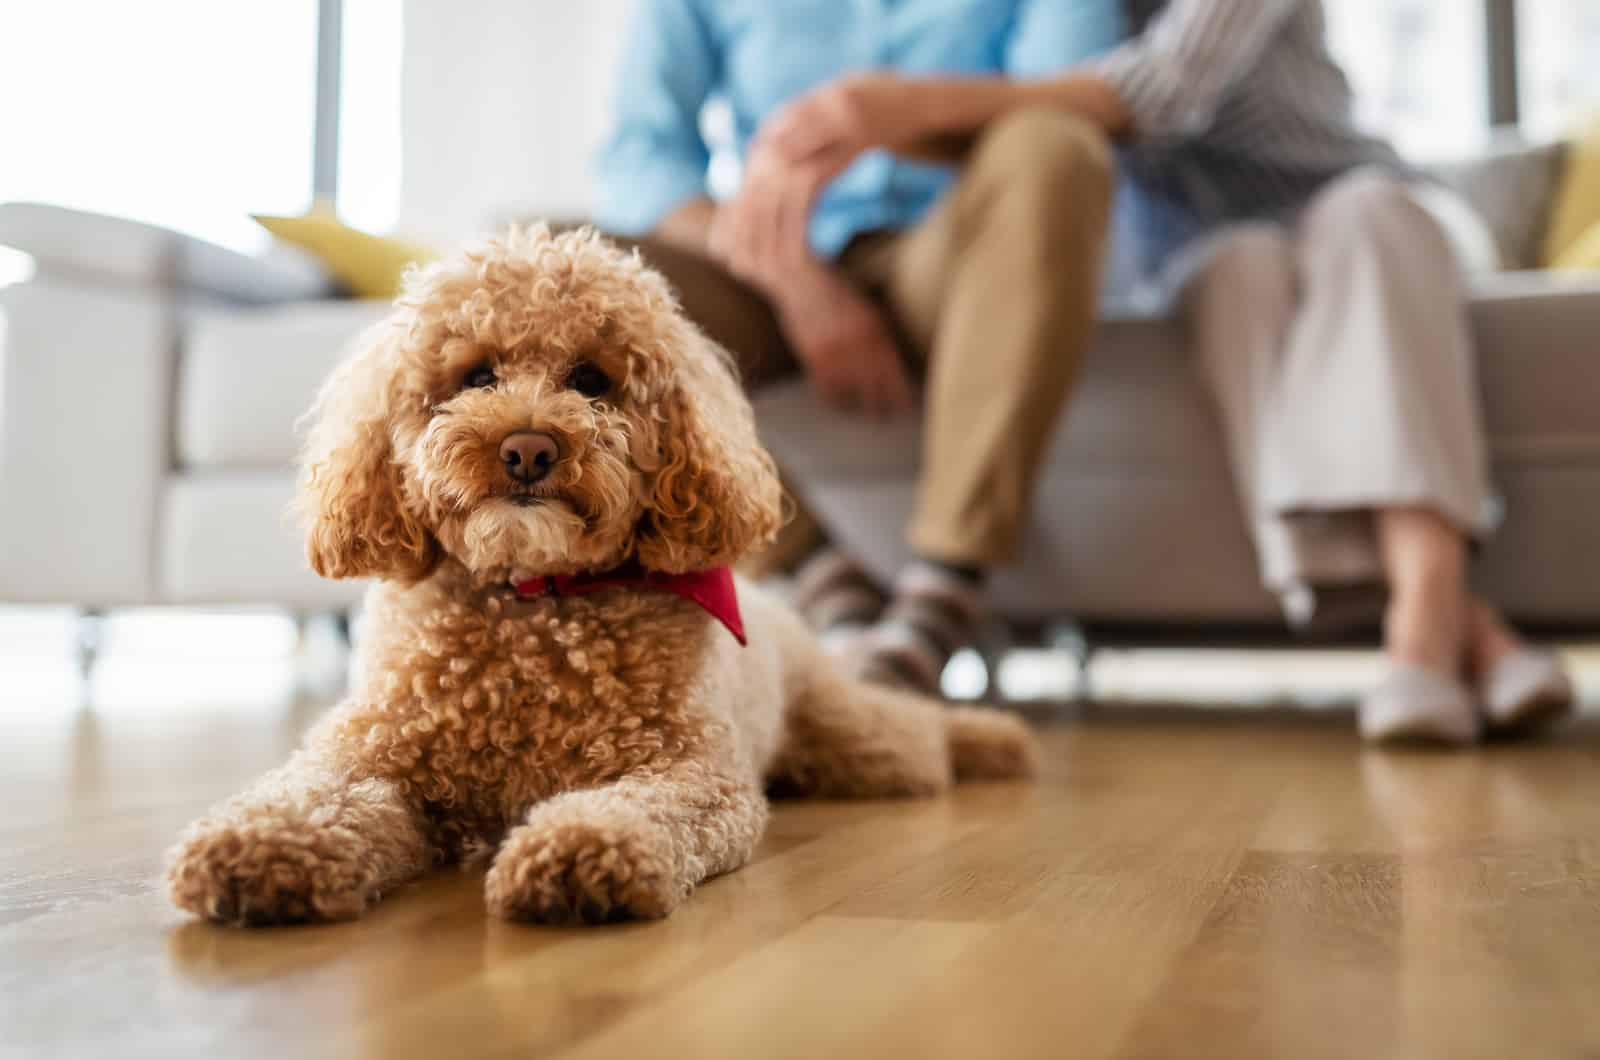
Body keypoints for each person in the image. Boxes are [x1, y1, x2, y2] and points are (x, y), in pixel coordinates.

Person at [735, 0, 1575, 743]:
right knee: (1237, 275)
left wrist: (889, 107)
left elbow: (1164, 90)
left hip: (1366, 198)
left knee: (1365, 224)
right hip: (1209, 240)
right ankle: (1476, 632)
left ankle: (1425, 619)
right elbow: (1042, 115)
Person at [592, 1, 1126, 694]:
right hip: (767, 263)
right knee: (578, 286)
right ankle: (819, 581)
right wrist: (790, 277)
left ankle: (941, 596)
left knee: (1055, 142)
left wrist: (902, 110)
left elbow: (1081, 93)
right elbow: (641, 155)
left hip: (955, 253)